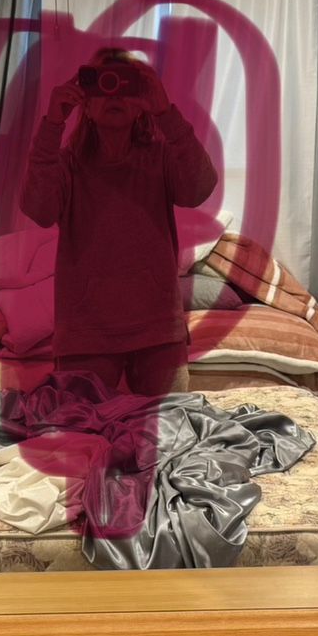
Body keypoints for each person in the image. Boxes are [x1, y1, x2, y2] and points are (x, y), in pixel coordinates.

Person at [20, 48, 218, 397]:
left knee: (169, 428)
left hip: (157, 331)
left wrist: (165, 112)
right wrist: (52, 123)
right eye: (102, 84)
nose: (114, 95)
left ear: (140, 101)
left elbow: (199, 189)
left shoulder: (160, 158)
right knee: (79, 427)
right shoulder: (67, 165)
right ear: (85, 101)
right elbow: (39, 210)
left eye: (126, 85)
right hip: (85, 332)